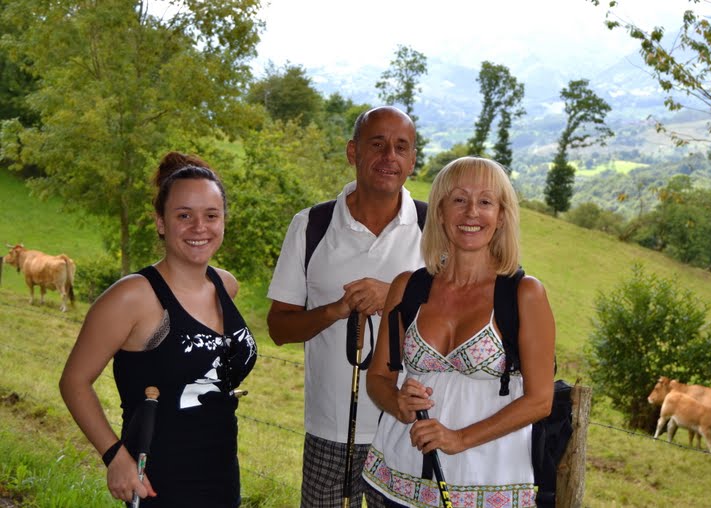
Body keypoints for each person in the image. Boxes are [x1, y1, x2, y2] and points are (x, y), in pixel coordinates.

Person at [59, 152, 257, 507]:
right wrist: (115, 457)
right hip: (157, 480)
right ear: (161, 222)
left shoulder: (225, 286)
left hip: (223, 473)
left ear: (223, 220)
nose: (200, 227)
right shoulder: (133, 297)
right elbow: (74, 381)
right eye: (184, 216)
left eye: (211, 215)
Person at [362, 156, 556, 507]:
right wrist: (398, 404)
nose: (471, 213)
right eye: (459, 200)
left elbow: (541, 401)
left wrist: (459, 439)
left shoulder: (524, 294)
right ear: (439, 211)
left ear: (500, 216)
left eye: (485, 202)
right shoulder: (407, 288)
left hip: (490, 485)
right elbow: (378, 377)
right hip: (399, 479)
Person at [267, 106, 425, 507]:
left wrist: (393, 294)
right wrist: (334, 310)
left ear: (412, 161)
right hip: (331, 429)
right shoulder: (311, 225)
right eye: (377, 144)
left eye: (401, 147)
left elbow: (459, 313)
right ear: (353, 152)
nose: (389, 157)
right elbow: (279, 328)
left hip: (410, 426)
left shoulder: (435, 227)